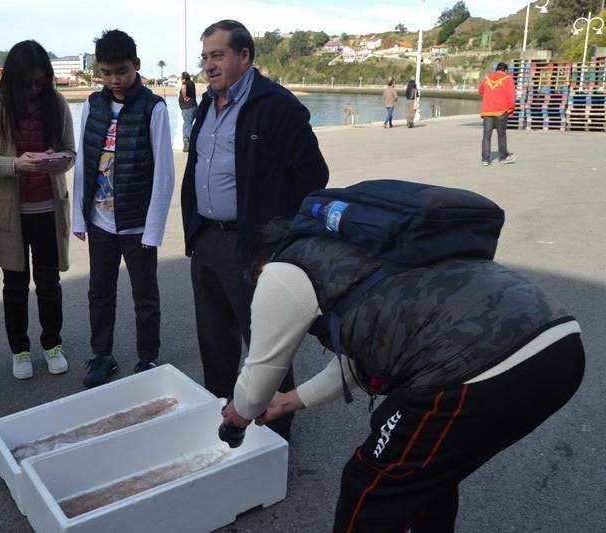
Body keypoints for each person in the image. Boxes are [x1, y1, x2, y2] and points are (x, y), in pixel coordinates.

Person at [221, 219, 585, 532]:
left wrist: (237, 416)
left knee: (370, 484)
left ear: (261, 264)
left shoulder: (281, 271)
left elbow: (259, 374)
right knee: (429, 469)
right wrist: (288, 401)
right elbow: (357, 363)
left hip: (480, 365)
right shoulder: (355, 252)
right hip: (559, 345)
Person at [181, 19, 328, 439]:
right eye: (205, 56)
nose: (209, 65)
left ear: (244, 56)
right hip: (208, 239)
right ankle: (224, 421)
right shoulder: (207, 105)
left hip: (254, 248)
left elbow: (313, 178)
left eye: (218, 55)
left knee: (266, 345)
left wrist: (280, 239)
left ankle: (276, 434)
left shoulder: (277, 106)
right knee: (215, 343)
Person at [73, 29, 174, 387]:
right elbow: (85, 164)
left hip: (137, 225)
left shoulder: (154, 106)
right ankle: (102, 356)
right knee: (99, 292)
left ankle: (148, 357)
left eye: (121, 71)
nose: (114, 80)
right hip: (100, 221)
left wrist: (154, 228)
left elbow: (164, 171)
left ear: (137, 66)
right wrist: (79, 217)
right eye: (106, 72)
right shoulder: (92, 105)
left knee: (145, 295)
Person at [0, 40, 75, 380]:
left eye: (41, 81)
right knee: (14, 285)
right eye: (28, 83)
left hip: (49, 209)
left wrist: (58, 160)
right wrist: (17, 164)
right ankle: (19, 350)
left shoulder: (57, 102)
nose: (35, 89)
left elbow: (70, 152)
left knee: (49, 282)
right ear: (13, 78)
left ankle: (52, 344)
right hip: (10, 213)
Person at [479, 62, 516, 166]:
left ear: (496, 69)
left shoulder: (487, 78)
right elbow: (512, 96)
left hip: (487, 111)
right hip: (501, 111)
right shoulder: (508, 79)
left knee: (486, 136)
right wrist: (511, 110)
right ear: (505, 70)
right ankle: (503, 157)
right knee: (501, 135)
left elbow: (480, 90)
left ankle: (485, 159)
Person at [178, 71, 197, 152]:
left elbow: (183, 88)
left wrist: (185, 97)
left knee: (187, 125)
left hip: (187, 108)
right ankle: (187, 143)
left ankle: (191, 143)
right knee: (187, 125)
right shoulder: (192, 83)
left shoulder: (185, 83)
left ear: (183, 78)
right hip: (194, 106)